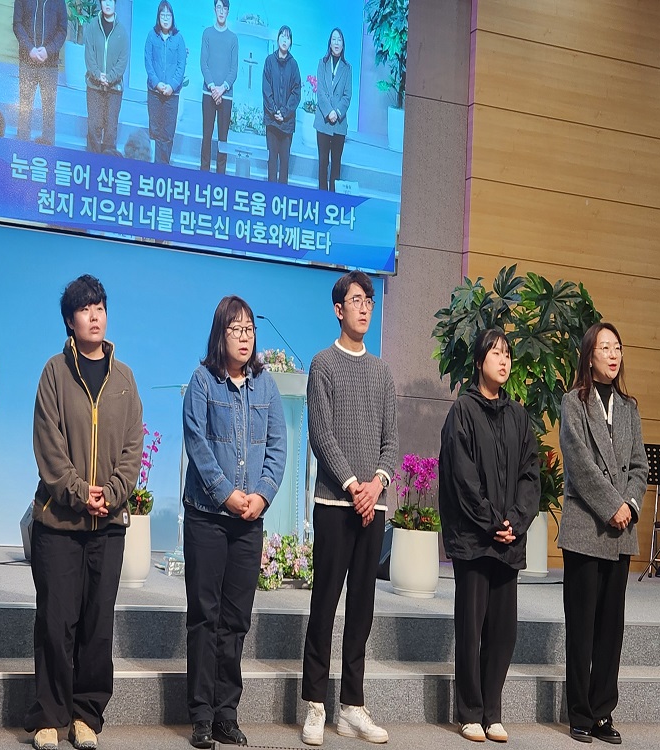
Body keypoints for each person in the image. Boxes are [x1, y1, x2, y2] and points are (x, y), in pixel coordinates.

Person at [24, 275, 144, 750]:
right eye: (85, 309)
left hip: (108, 525)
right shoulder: (54, 372)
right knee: (56, 621)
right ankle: (49, 715)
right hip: (59, 521)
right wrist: (78, 491)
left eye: (100, 307)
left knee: (97, 625)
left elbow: (133, 447)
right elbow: (48, 442)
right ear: (70, 321)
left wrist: (111, 494)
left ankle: (86, 714)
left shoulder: (125, 378)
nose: (95, 316)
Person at [182, 296, 287, 749]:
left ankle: (227, 713)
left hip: (249, 521)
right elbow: (197, 443)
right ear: (220, 334)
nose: (244, 337)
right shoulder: (202, 381)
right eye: (235, 329)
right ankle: (201, 716)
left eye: (249, 330)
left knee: (236, 621)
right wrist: (226, 493)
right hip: (207, 517)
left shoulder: (266, 386)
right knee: (205, 617)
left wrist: (261, 495)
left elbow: (278, 448)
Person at [301, 271, 398, 747]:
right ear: (338, 309)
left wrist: (376, 485)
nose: (364, 308)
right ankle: (315, 704)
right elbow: (321, 434)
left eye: (369, 301)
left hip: (371, 506)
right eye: (356, 300)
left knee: (362, 607)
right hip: (335, 503)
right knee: (325, 604)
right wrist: (353, 485)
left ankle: (352, 707)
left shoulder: (382, 373)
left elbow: (391, 441)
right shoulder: (323, 364)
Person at [438, 329, 540, 744]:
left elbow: (530, 475)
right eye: (496, 353)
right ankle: (469, 712)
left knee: (502, 631)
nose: (503, 360)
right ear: (479, 361)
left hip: (508, 539)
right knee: (471, 628)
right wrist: (491, 521)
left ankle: (492, 711)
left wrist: (515, 520)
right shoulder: (462, 411)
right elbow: (462, 478)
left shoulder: (519, 416)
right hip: (475, 540)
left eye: (507, 354)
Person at [559, 322, 647, 745]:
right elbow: (579, 464)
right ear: (589, 356)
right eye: (604, 347)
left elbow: (640, 466)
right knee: (582, 627)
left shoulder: (629, 407)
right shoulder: (573, 402)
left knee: (611, 631)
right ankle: (579, 712)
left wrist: (629, 504)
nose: (613, 355)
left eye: (617, 347)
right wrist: (612, 505)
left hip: (621, 531)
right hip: (585, 528)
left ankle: (601, 713)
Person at [13, 0, 68, 146]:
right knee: (24, 107)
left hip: (49, 64)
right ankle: (22, 147)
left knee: (49, 110)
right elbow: (17, 24)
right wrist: (30, 49)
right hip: (27, 61)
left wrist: (48, 51)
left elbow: (62, 30)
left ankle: (48, 149)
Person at [144, 1, 187, 164]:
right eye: (163, 15)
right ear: (158, 17)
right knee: (155, 131)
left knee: (167, 134)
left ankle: (164, 169)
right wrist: (156, 83)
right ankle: (153, 169)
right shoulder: (151, 36)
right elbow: (148, 62)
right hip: (154, 93)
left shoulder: (179, 39)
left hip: (172, 94)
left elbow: (181, 65)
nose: (166, 18)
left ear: (173, 17)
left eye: (168, 15)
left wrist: (172, 86)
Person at [84, 0, 130, 154]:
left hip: (114, 88)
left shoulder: (122, 31)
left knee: (110, 130)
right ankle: (92, 163)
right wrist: (98, 75)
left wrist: (109, 78)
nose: (108, 4)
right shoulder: (92, 27)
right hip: (94, 86)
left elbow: (122, 61)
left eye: (111, 1)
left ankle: (108, 164)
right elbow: (89, 55)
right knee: (94, 127)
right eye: (105, 0)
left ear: (115, 4)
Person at [199, 0, 238, 173]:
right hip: (209, 93)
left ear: (228, 12)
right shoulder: (207, 33)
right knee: (207, 135)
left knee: (223, 139)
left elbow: (234, 69)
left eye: (225, 8)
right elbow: (203, 63)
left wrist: (222, 89)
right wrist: (213, 87)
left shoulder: (233, 38)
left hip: (226, 95)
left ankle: (220, 177)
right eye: (219, 8)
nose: (221, 11)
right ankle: (204, 174)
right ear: (214, 9)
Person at [262, 25, 301, 184]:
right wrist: (274, 111)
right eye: (282, 36)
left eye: (288, 37)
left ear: (291, 42)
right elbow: (266, 89)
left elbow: (296, 92)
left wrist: (284, 112)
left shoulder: (294, 65)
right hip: (272, 121)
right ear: (278, 39)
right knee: (272, 161)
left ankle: (282, 195)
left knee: (284, 164)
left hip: (287, 123)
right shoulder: (269, 61)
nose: (285, 40)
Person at [314, 28, 352, 191]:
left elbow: (347, 96)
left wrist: (336, 112)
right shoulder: (322, 63)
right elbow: (320, 92)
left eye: (339, 40)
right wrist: (329, 111)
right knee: (323, 162)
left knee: (336, 163)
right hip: (323, 121)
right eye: (334, 39)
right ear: (330, 43)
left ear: (343, 45)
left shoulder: (347, 68)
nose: (336, 43)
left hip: (339, 123)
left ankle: (333, 199)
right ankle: (322, 197)